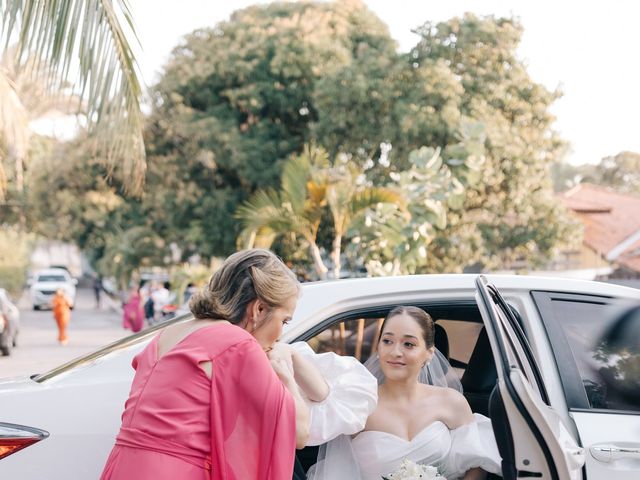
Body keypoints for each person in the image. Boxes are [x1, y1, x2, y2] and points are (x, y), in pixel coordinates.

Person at [100, 249, 314, 480]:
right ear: (259, 309)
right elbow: (300, 433)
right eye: (284, 321)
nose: (281, 334)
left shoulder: (168, 333)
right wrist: (286, 374)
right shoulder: (237, 345)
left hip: (122, 467)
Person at [308, 306, 501, 480]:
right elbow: (339, 471)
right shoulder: (358, 403)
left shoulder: (452, 402)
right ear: (378, 347)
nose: (395, 352)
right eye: (388, 341)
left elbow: (477, 463)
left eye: (408, 344)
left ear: (429, 353)